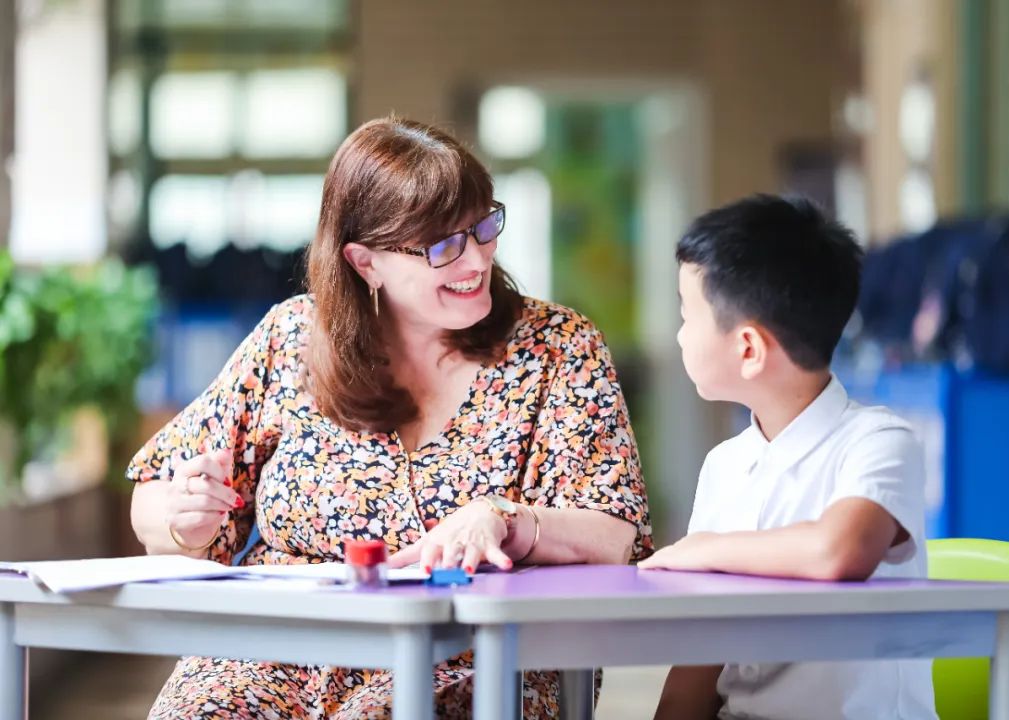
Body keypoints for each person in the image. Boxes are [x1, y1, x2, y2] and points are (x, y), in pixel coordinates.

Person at [128, 116, 652, 719]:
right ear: (364, 262)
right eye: (441, 247)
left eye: (483, 227)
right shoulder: (292, 337)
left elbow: (614, 533)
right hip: (278, 644)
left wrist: (503, 519)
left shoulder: (558, 346)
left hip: (475, 651)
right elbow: (155, 490)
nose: (476, 260)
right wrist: (182, 521)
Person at [642, 195, 937, 720]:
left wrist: (705, 549)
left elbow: (838, 551)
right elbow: (698, 665)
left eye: (688, 315)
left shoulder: (879, 441)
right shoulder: (725, 466)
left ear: (749, 349)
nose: (680, 334)